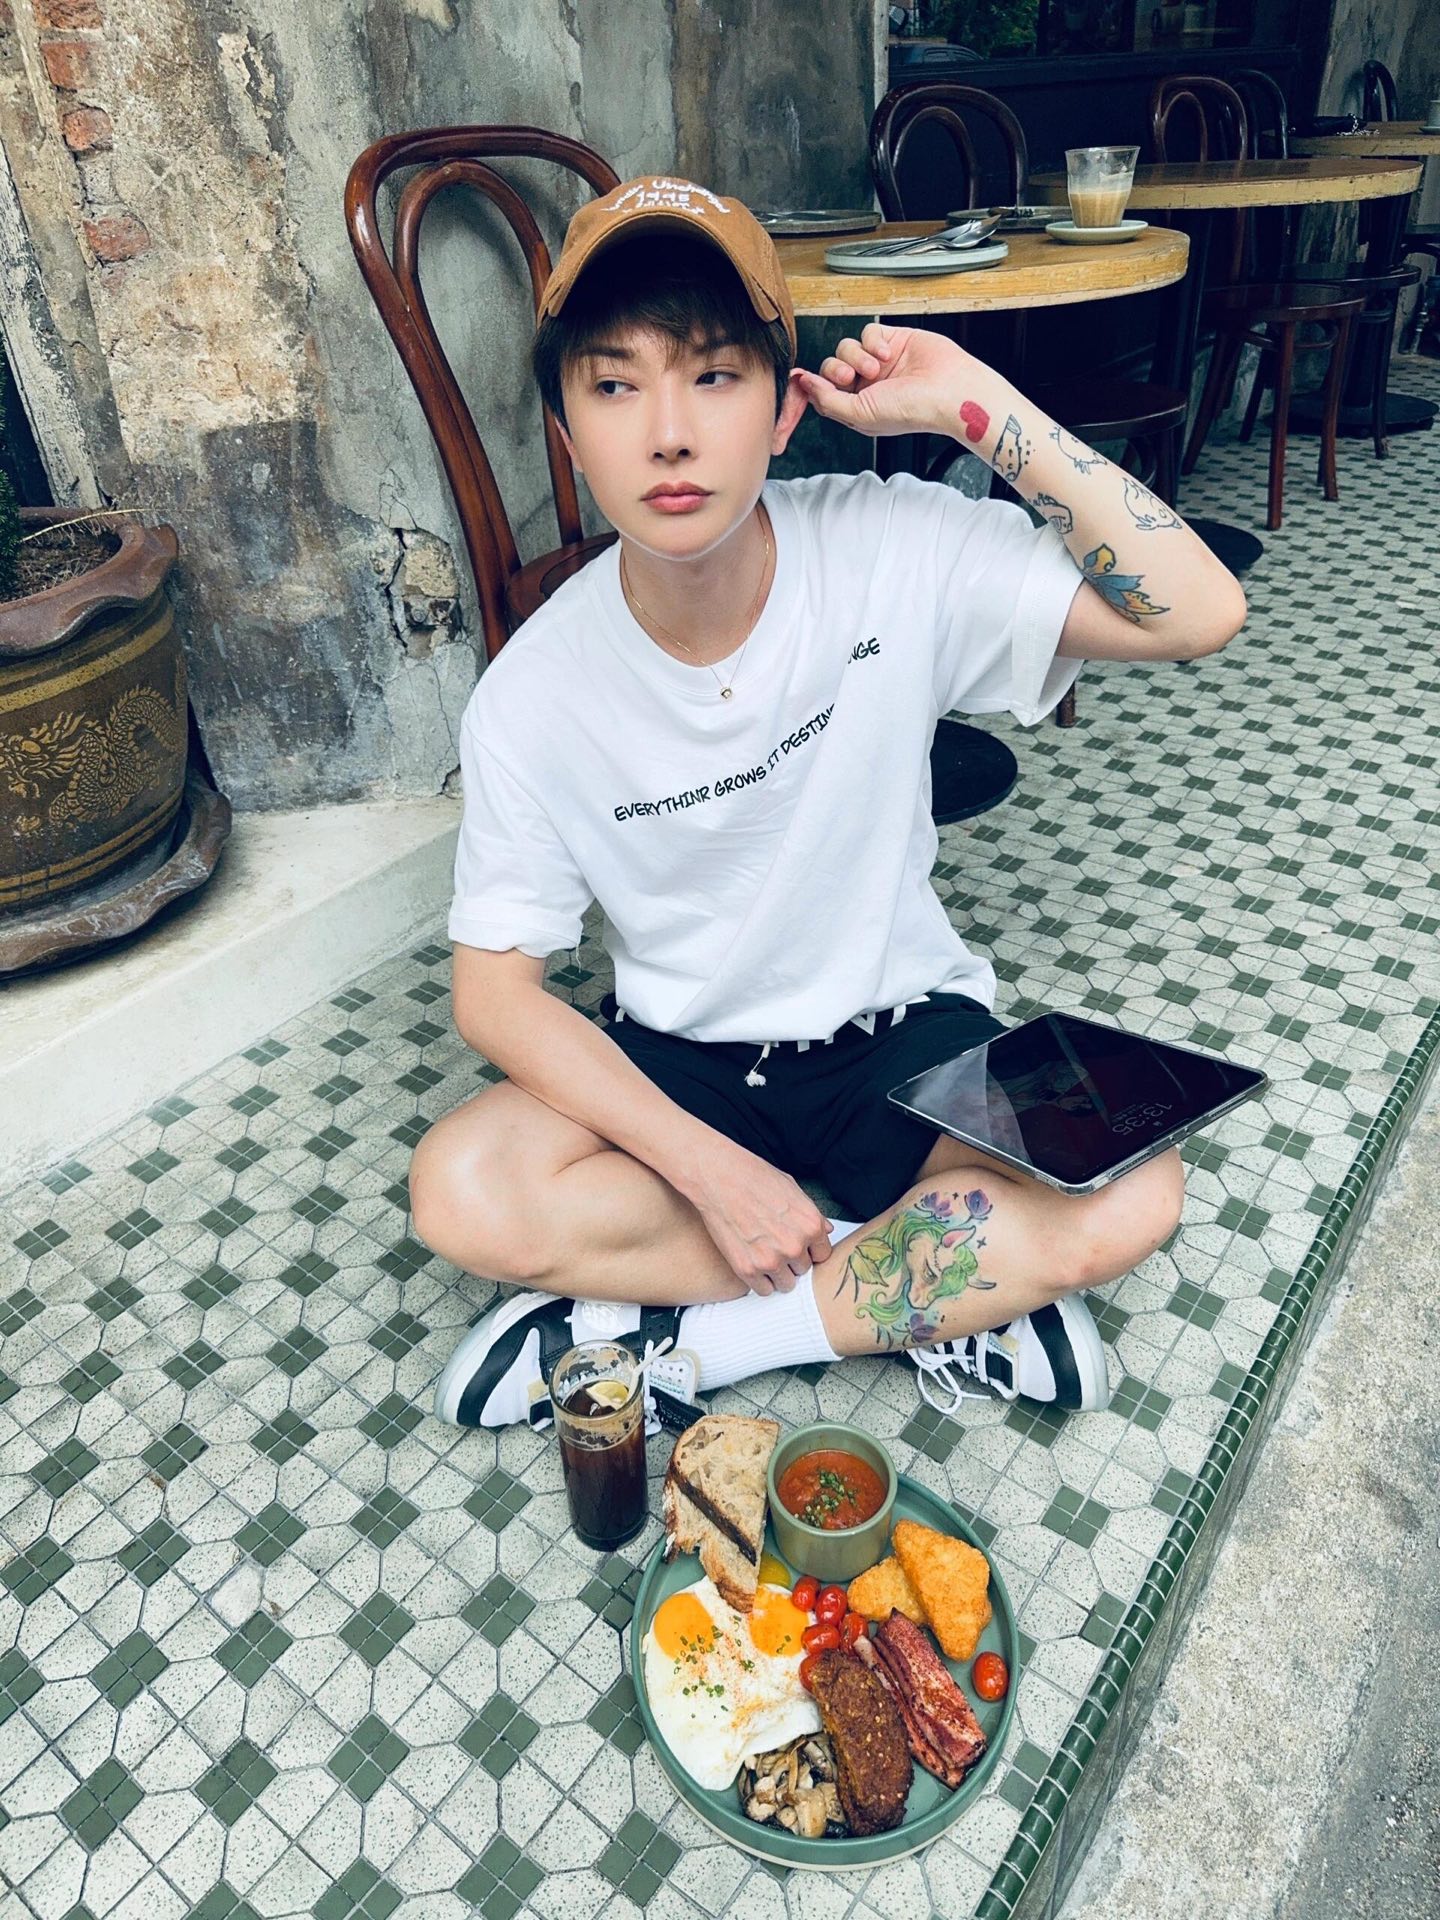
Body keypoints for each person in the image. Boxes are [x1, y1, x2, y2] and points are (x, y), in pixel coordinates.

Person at [409, 176, 1246, 1432]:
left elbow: (1198, 609)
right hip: (680, 1064)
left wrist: (974, 403)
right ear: (568, 433)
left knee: (1135, 1190)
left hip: (903, 1040)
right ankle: (932, 1285)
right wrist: (713, 1170)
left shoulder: (890, 545)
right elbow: (496, 995)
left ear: (785, 407)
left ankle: (694, 1348)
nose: (669, 435)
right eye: (615, 385)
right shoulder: (532, 694)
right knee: (463, 1187)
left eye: (714, 376)